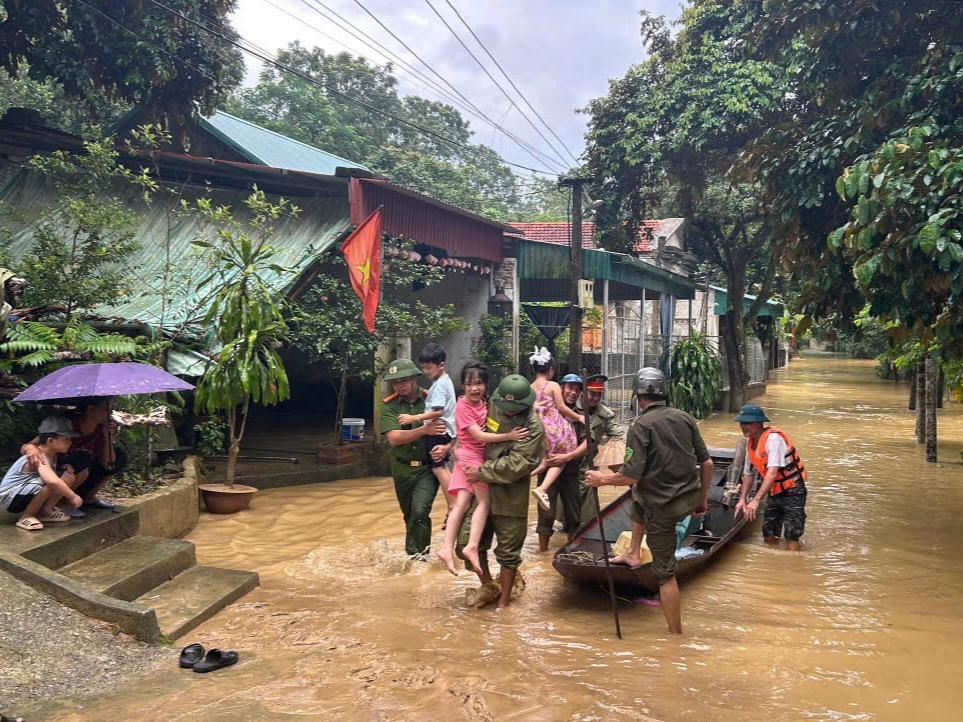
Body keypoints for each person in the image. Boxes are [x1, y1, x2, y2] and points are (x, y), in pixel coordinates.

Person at [585, 367, 713, 634]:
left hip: (663, 507)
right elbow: (707, 462)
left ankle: (675, 634)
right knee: (637, 501)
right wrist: (702, 501)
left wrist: (602, 480)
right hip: (686, 497)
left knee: (665, 575)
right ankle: (632, 553)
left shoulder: (640, 426)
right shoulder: (685, 418)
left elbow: (631, 475)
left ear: (637, 396)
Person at [456, 374, 545, 608]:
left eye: (513, 409)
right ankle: (489, 585)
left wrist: (482, 471)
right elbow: (469, 427)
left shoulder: (533, 426)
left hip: (511, 495)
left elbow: (521, 463)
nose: (507, 412)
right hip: (481, 489)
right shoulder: (493, 404)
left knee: (508, 551)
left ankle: (504, 603)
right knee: (465, 543)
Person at [437, 362, 530, 575]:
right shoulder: (463, 406)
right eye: (469, 384)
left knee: (460, 504)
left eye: (478, 383)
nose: (474, 388)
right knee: (485, 503)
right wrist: (509, 436)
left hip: (466, 456)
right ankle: (471, 546)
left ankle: (446, 548)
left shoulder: (485, 403)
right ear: (463, 385)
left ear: (486, 385)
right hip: (473, 458)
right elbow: (478, 436)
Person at [380, 358, 448, 558]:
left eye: (403, 381)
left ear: (414, 379)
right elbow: (394, 438)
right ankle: (412, 555)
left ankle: (422, 557)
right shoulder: (389, 406)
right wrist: (424, 429)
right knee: (409, 515)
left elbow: (449, 428)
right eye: (395, 382)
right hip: (401, 469)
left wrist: (445, 446)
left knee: (420, 512)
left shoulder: (431, 401)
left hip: (427, 468)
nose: (399, 386)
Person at [20, 397, 127, 516]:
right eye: (107, 409)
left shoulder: (101, 428)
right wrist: (31, 448)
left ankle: (88, 497)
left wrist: (108, 436)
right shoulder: (65, 424)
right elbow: (29, 445)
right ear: (91, 410)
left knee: (119, 455)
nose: (109, 414)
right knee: (81, 460)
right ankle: (61, 503)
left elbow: (108, 463)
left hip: (81, 475)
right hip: (59, 473)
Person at [733, 404, 808, 551]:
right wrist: (742, 499)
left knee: (792, 533)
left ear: (759, 423)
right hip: (774, 490)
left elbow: (772, 472)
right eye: (742, 423)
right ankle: (771, 558)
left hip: (792, 489)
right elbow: (748, 473)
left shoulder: (773, 440)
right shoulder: (751, 443)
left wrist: (755, 500)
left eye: (748, 423)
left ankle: (792, 561)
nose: (743, 427)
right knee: (769, 531)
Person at [398, 343, 456, 519]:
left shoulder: (439, 385)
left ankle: (452, 504)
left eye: (429, 368)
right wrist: (425, 394)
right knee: (441, 466)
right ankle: (453, 503)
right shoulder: (443, 381)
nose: (425, 371)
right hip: (446, 430)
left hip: (438, 430)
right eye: (423, 368)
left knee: (439, 468)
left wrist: (413, 418)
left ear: (441, 365)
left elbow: (438, 411)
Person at [1, 416, 85, 530]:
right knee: (51, 482)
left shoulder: (52, 455)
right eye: (66, 439)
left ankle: (46, 510)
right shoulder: (38, 456)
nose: (70, 442)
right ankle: (26, 516)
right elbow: (51, 480)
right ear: (50, 441)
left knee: (67, 475)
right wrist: (72, 496)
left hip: (25, 492)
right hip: (11, 498)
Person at [536, 374, 589, 551]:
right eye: (570, 388)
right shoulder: (549, 408)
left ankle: (572, 550)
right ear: (561, 388)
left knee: (573, 513)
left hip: (572, 468)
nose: (573, 392)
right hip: (549, 464)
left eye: (577, 389)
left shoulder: (581, 415)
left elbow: (588, 441)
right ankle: (543, 553)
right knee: (546, 512)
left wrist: (568, 457)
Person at [528, 347, 583, 512]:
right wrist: (579, 417)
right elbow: (562, 408)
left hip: (539, 430)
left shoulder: (529, 388)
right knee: (562, 458)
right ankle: (542, 488)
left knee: (547, 460)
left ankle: (527, 475)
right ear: (551, 370)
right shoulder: (552, 385)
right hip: (555, 430)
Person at [576, 374, 626, 525]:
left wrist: (624, 461)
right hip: (566, 468)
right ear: (583, 392)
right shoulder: (569, 408)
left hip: (588, 468)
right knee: (563, 517)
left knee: (589, 518)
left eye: (599, 395)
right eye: (592, 394)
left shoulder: (605, 414)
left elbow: (619, 437)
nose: (595, 398)